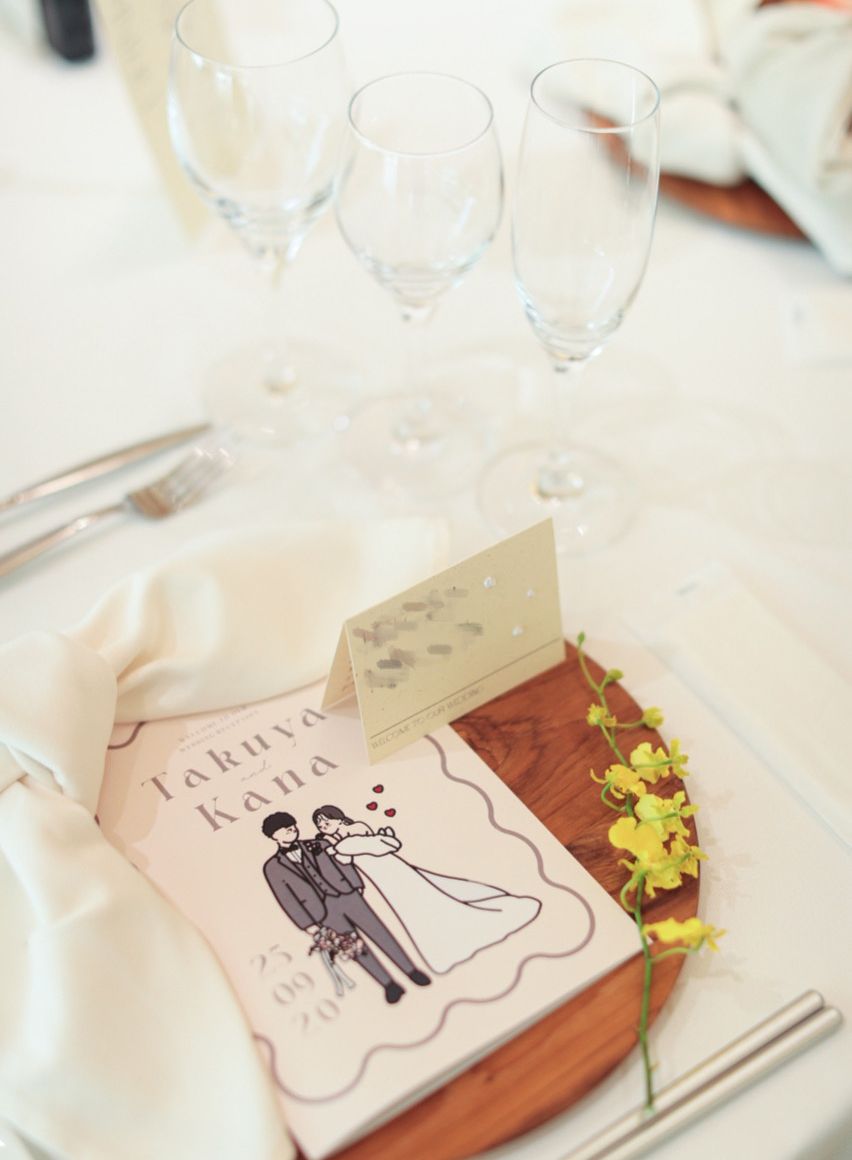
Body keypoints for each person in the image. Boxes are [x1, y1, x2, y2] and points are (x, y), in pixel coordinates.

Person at [313, 804, 541, 975]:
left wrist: (339, 848)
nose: (324, 828)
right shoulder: (337, 841)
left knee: (419, 893)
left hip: (388, 868)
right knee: (405, 906)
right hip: (378, 878)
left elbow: (362, 846)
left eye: (325, 822)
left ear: (337, 818)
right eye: (320, 826)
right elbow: (345, 859)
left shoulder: (355, 829)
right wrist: (337, 850)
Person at [260, 811, 430, 1004]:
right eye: (285, 829)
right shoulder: (272, 867)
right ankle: (388, 984)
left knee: (379, 931)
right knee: (353, 947)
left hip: (347, 894)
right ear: (273, 836)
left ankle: (410, 970)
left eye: (293, 826)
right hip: (321, 913)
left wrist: (356, 885)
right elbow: (285, 898)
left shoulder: (320, 844)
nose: (292, 830)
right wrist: (307, 924)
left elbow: (343, 864)